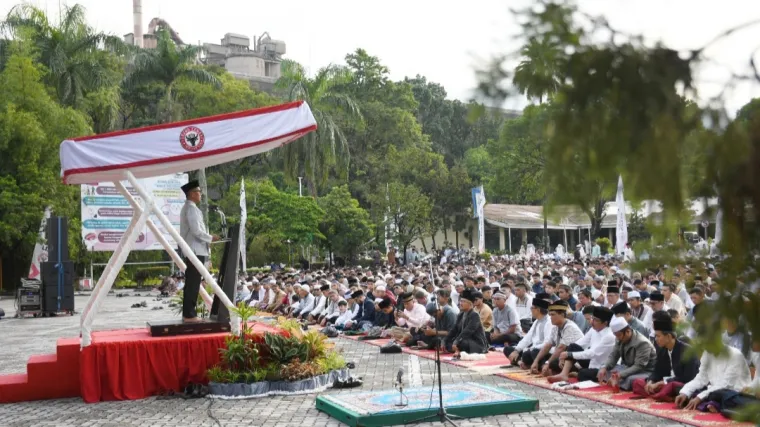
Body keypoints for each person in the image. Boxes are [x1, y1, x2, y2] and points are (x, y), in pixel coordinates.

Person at [631, 315, 700, 401]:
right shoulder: (662, 350)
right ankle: (662, 395)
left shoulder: (687, 351)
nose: (656, 339)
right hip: (665, 383)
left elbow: (688, 377)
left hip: (681, 384)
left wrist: (664, 382)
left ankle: (661, 395)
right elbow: (657, 371)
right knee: (637, 382)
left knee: (671, 386)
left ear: (669, 337)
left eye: (658, 336)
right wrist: (651, 381)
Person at [179, 180, 219, 323]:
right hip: (195, 250)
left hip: (196, 249)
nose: (200, 194)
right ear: (191, 194)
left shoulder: (191, 208)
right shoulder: (191, 209)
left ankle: (189, 314)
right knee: (193, 283)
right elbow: (196, 231)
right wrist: (210, 238)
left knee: (193, 282)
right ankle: (189, 315)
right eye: (198, 191)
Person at [546, 306, 616, 383]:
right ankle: (564, 374)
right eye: (592, 318)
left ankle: (577, 372)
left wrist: (569, 354)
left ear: (605, 323)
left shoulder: (609, 336)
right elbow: (580, 343)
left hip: (602, 367)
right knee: (568, 350)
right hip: (590, 361)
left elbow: (592, 353)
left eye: (596, 320)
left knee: (583, 374)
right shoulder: (593, 329)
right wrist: (565, 354)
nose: (592, 322)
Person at [675, 345, 753, 411]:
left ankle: (713, 404)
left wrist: (700, 397)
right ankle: (711, 404)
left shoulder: (735, 355)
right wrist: (685, 392)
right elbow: (701, 378)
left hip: (734, 393)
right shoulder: (707, 353)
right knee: (683, 390)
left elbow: (726, 384)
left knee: (719, 395)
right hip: (713, 392)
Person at [597, 316, 657, 390]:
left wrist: (619, 375)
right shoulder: (619, 338)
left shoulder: (642, 343)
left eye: (619, 335)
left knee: (630, 379)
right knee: (605, 370)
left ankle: (616, 381)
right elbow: (613, 356)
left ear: (628, 331)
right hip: (628, 367)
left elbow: (639, 366)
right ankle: (615, 381)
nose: (617, 338)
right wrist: (605, 367)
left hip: (644, 371)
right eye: (615, 335)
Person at [531, 300, 585, 376]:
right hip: (561, 356)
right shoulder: (555, 327)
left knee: (554, 363)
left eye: (553, 315)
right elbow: (547, 346)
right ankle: (545, 368)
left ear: (562, 315)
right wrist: (535, 361)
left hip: (574, 359)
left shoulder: (570, 327)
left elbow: (561, 348)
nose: (550, 318)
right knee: (535, 352)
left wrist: (547, 363)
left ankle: (549, 369)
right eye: (550, 315)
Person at [504, 297, 552, 368]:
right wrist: (517, 350)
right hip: (533, 349)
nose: (531, 310)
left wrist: (530, 349)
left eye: (532, 308)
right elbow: (528, 337)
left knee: (528, 354)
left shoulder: (549, 322)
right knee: (508, 349)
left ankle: (534, 365)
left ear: (538, 310)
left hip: (542, 351)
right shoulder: (537, 321)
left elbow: (547, 344)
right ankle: (520, 362)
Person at [444, 289, 489, 356]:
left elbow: (468, 331)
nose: (460, 303)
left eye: (463, 301)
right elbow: (454, 330)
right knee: (444, 341)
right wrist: (445, 341)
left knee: (461, 343)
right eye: (460, 301)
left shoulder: (474, 315)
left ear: (470, 304)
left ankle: (458, 350)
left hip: (476, 342)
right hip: (463, 339)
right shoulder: (461, 314)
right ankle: (457, 349)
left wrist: (456, 341)